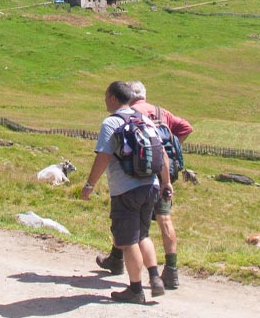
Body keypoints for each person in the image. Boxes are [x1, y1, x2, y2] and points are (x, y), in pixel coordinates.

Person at [78, 80, 170, 304]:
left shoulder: (111, 122)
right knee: (143, 235)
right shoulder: (144, 120)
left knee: (129, 241)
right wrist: (166, 182)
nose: (104, 101)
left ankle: (135, 290)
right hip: (151, 185)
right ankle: (155, 278)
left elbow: (103, 156)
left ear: (112, 98)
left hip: (126, 189)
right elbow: (162, 153)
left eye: (105, 96)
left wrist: (89, 185)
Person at [95, 81, 193, 289]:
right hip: (161, 174)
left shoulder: (131, 114)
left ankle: (124, 270)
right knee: (162, 221)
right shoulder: (161, 112)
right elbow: (186, 128)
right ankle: (171, 271)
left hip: (134, 176)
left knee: (129, 227)